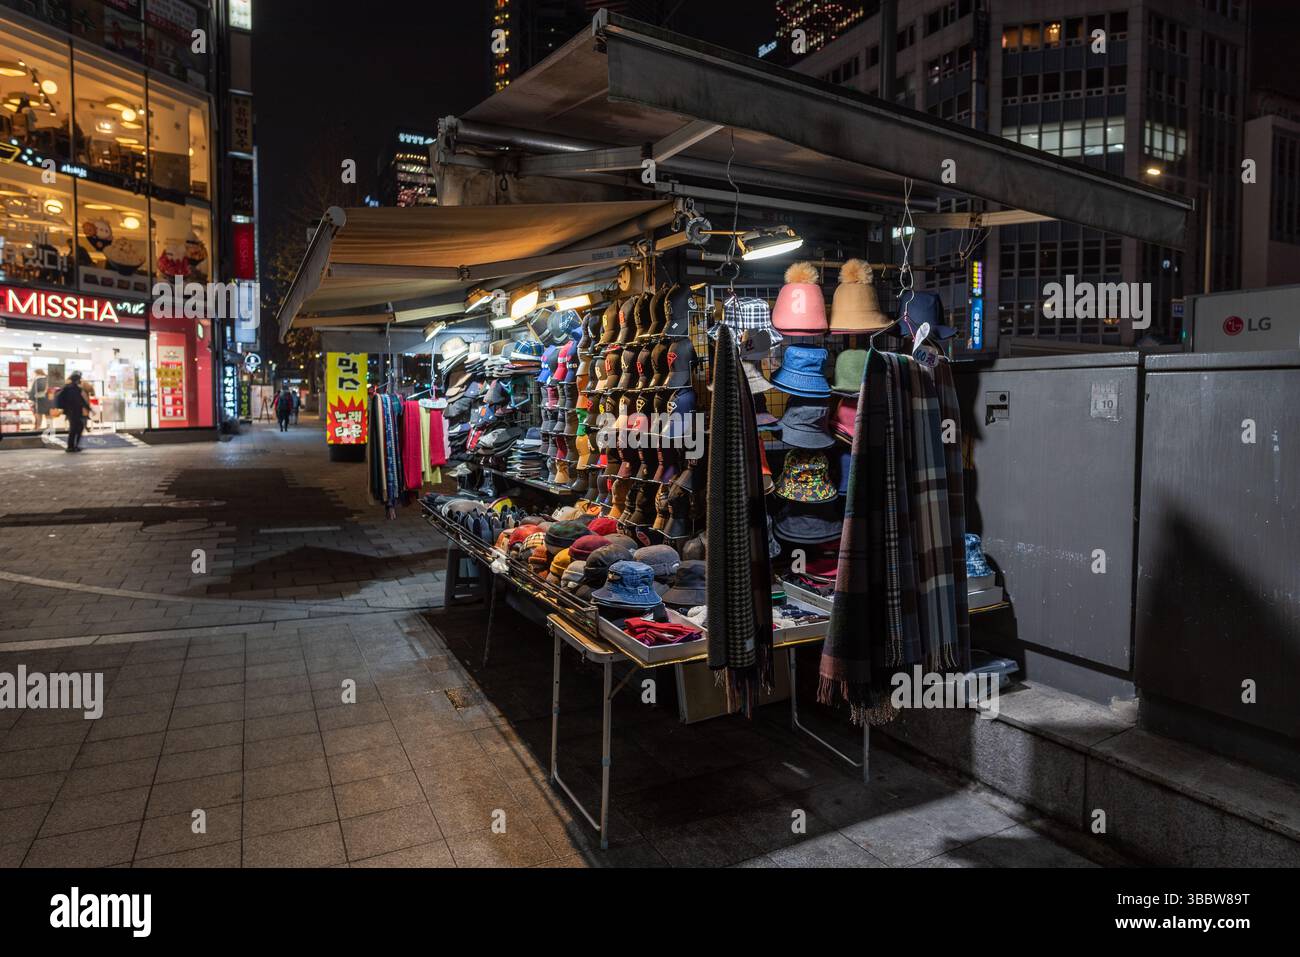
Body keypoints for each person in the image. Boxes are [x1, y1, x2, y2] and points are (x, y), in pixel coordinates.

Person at [54, 372, 91, 452]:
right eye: (79, 379)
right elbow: (79, 400)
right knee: (76, 428)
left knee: (75, 428)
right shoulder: (74, 389)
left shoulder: (67, 387)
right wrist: (87, 408)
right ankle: (72, 446)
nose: (80, 381)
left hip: (70, 411)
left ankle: (73, 446)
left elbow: (79, 400)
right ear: (77, 380)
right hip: (74, 411)